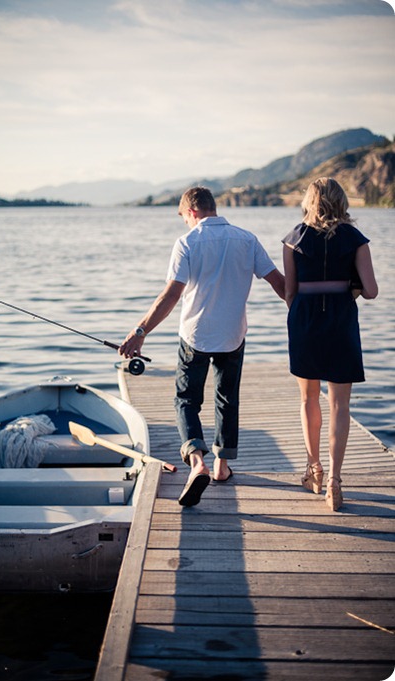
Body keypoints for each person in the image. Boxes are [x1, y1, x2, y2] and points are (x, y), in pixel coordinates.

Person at [120, 186, 285, 506]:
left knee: (186, 400)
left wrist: (140, 331)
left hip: (195, 336)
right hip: (233, 335)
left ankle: (198, 462)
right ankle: (222, 467)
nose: (185, 224)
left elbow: (171, 295)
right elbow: (279, 283)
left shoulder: (188, 243)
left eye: (183, 218)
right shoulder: (247, 239)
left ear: (191, 212)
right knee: (227, 398)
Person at [282, 177, 378, 511]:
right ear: (341, 201)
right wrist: (346, 287)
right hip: (340, 320)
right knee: (340, 405)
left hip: (305, 319)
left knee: (309, 398)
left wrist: (305, 313)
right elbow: (371, 291)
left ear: (310, 200)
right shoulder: (355, 238)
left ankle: (314, 469)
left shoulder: (294, 238)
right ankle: (335, 482)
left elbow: (290, 293)